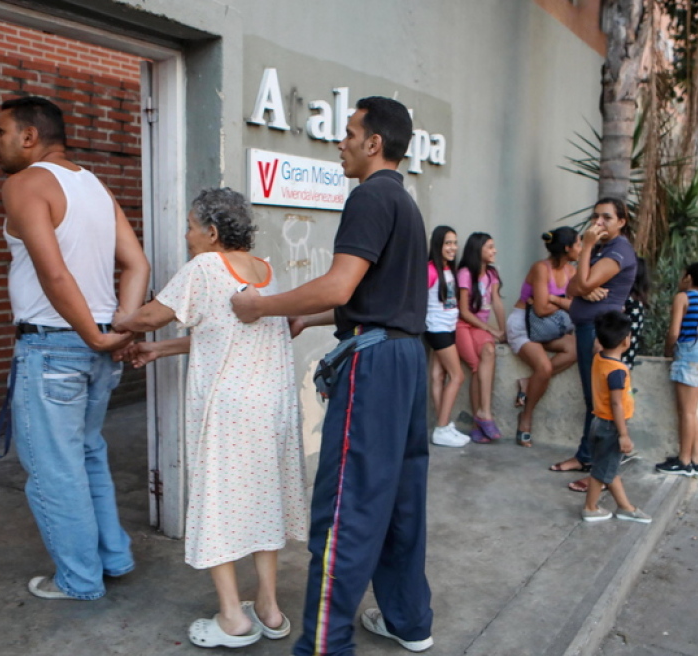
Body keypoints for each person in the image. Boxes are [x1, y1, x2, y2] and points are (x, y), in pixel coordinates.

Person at [231, 96, 434, 655]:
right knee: (398, 502)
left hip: (374, 370)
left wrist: (262, 306)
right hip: (407, 361)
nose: (339, 143)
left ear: (374, 143)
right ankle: (409, 620)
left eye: (347, 134)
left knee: (345, 509)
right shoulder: (404, 203)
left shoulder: (369, 196)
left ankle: (324, 645)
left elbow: (341, 286)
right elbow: (374, 297)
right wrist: (305, 314)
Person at [113, 189, 307, 648]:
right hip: (271, 410)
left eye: (190, 226)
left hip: (229, 412)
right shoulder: (264, 271)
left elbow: (150, 316)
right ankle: (269, 608)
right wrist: (159, 350)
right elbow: (219, 332)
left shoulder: (203, 268)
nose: (185, 235)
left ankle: (232, 618)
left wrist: (117, 322)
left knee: (218, 503)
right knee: (264, 503)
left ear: (213, 233)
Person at [0, 96, 150, 600]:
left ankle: (79, 580)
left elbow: (52, 272)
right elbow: (138, 265)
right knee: (87, 455)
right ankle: (114, 558)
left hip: (56, 349)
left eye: (0, 133)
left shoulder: (24, 184)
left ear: (29, 137)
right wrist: (120, 327)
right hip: (97, 349)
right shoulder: (96, 187)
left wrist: (97, 334)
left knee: (55, 471)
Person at [550, 198, 637, 494]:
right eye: (596, 217)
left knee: (601, 405)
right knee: (594, 401)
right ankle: (586, 457)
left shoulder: (618, 250)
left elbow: (583, 285)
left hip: (601, 336)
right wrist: (583, 284)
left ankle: (598, 471)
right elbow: (572, 288)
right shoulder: (602, 248)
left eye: (607, 218)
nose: (598, 223)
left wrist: (585, 248)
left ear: (622, 221)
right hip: (588, 329)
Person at [507, 228, 580, 447]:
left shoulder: (572, 271)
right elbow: (539, 308)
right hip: (523, 326)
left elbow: (576, 306)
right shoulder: (541, 268)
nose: (581, 249)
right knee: (544, 368)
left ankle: (528, 383)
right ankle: (526, 418)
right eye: (578, 244)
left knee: (576, 348)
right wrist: (562, 303)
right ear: (567, 248)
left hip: (548, 328)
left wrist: (554, 301)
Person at [580, 311, 653, 524]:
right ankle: (590, 508)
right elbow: (616, 404)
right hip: (611, 426)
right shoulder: (617, 371)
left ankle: (625, 507)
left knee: (608, 467)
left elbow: (598, 344)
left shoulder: (598, 358)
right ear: (625, 341)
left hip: (597, 422)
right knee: (601, 471)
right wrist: (623, 434)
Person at [656, 262, 698, 477]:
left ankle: (683, 461)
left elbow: (673, 332)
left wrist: (667, 352)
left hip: (688, 355)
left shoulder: (683, 297)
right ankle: (695, 459)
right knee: (693, 412)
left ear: (689, 278)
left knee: (686, 412)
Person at [456, 232, 506, 442]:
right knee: (476, 366)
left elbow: (496, 302)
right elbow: (465, 312)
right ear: (478, 250)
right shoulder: (466, 273)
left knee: (489, 350)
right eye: (490, 247)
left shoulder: (492, 274)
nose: (494, 251)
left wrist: (503, 330)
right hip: (462, 325)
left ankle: (484, 413)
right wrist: (491, 330)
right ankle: (480, 420)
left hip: (478, 328)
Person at [425, 225, 471, 447]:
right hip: (437, 329)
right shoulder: (430, 269)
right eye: (448, 243)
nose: (453, 247)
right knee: (457, 376)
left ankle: (443, 424)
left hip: (447, 327)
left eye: (454, 242)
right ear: (438, 245)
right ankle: (442, 428)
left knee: (438, 376)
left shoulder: (448, 269)